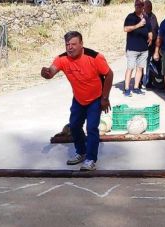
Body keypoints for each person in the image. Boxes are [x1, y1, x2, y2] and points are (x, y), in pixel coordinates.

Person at [41, 31, 113, 171]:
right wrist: (46, 73)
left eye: (73, 44)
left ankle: (91, 159)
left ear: (81, 44)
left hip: (95, 98)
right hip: (79, 99)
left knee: (91, 128)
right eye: (67, 44)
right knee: (74, 126)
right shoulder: (62, 59)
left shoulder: (94, 57)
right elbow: (51, 71)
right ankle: (81, 151)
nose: (70, 47)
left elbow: (109, 74)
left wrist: (105, 98)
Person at [123, 0, 151, 96]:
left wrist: (150, 37)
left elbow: (150, 30)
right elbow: (125, 29)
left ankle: (136, 87)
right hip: (132, 48)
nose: (138, 6)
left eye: (140, 5)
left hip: (143, 49)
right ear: (134, 6)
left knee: (140, 68)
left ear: (143, 6)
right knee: (130, 68)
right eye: (136, 5)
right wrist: (138, 25)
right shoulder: (130, 17)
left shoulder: (146, 18)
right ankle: (126, 89)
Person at [142, 0, 159, 89]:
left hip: (153, 43)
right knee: (142, 63)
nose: (150, 8)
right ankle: (140, 81)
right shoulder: (141, 17)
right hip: (144, 44)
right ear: (144, 7)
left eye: (151, 6)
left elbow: (157, 28)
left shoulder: (153, 16)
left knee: (150, 63)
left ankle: (149, 81)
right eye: (148, 6)